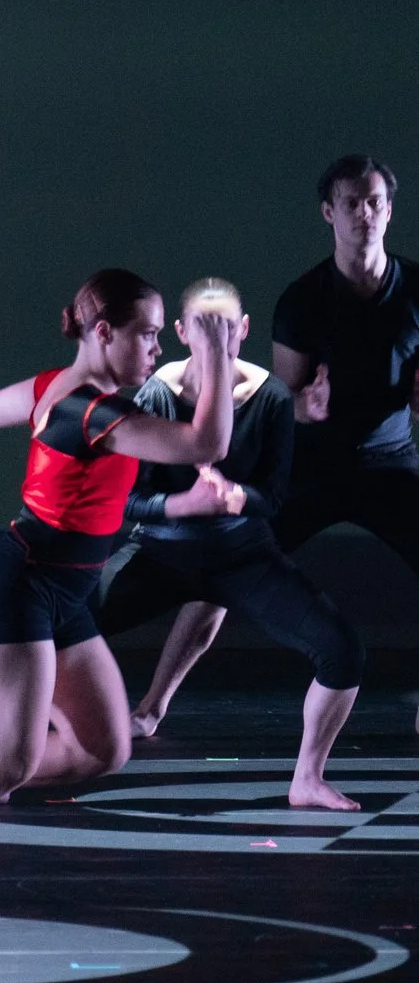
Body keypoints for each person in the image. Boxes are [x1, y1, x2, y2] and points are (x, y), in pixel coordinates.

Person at [0, 270, 238, 908]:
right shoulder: (88, 409)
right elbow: (206, 440)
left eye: (160, 338)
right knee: (10, 761)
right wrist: (215, 350)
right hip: (15, 589)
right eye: (147, 336)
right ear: (103, 333)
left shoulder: (62, 390)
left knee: (103, 748)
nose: (156, 350)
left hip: (63, 596)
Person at [128, 156, 419, 733]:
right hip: (312, 465)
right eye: (352, 203)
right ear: (328, 213)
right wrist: (304, 408)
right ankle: (152, 705)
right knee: (224, 568)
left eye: (375, 202)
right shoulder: (304, 300)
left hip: (390, 463)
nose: (365, 213)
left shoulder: (417, 289)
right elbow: (281, 395)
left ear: (390, 210)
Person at [94, 278, 361, 808]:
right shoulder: (155, 396)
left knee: (341, 650)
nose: (216, 342)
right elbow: (127, 501)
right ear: (181, 333)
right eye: (203, 330)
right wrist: (182, 506)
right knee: (51, 624)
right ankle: (24, 756)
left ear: (242, 331)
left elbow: (274, 494)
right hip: (161, 553)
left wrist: (240, 496)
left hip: (241, 557)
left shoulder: (269, 398)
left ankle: (307, 779)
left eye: (225, 331)